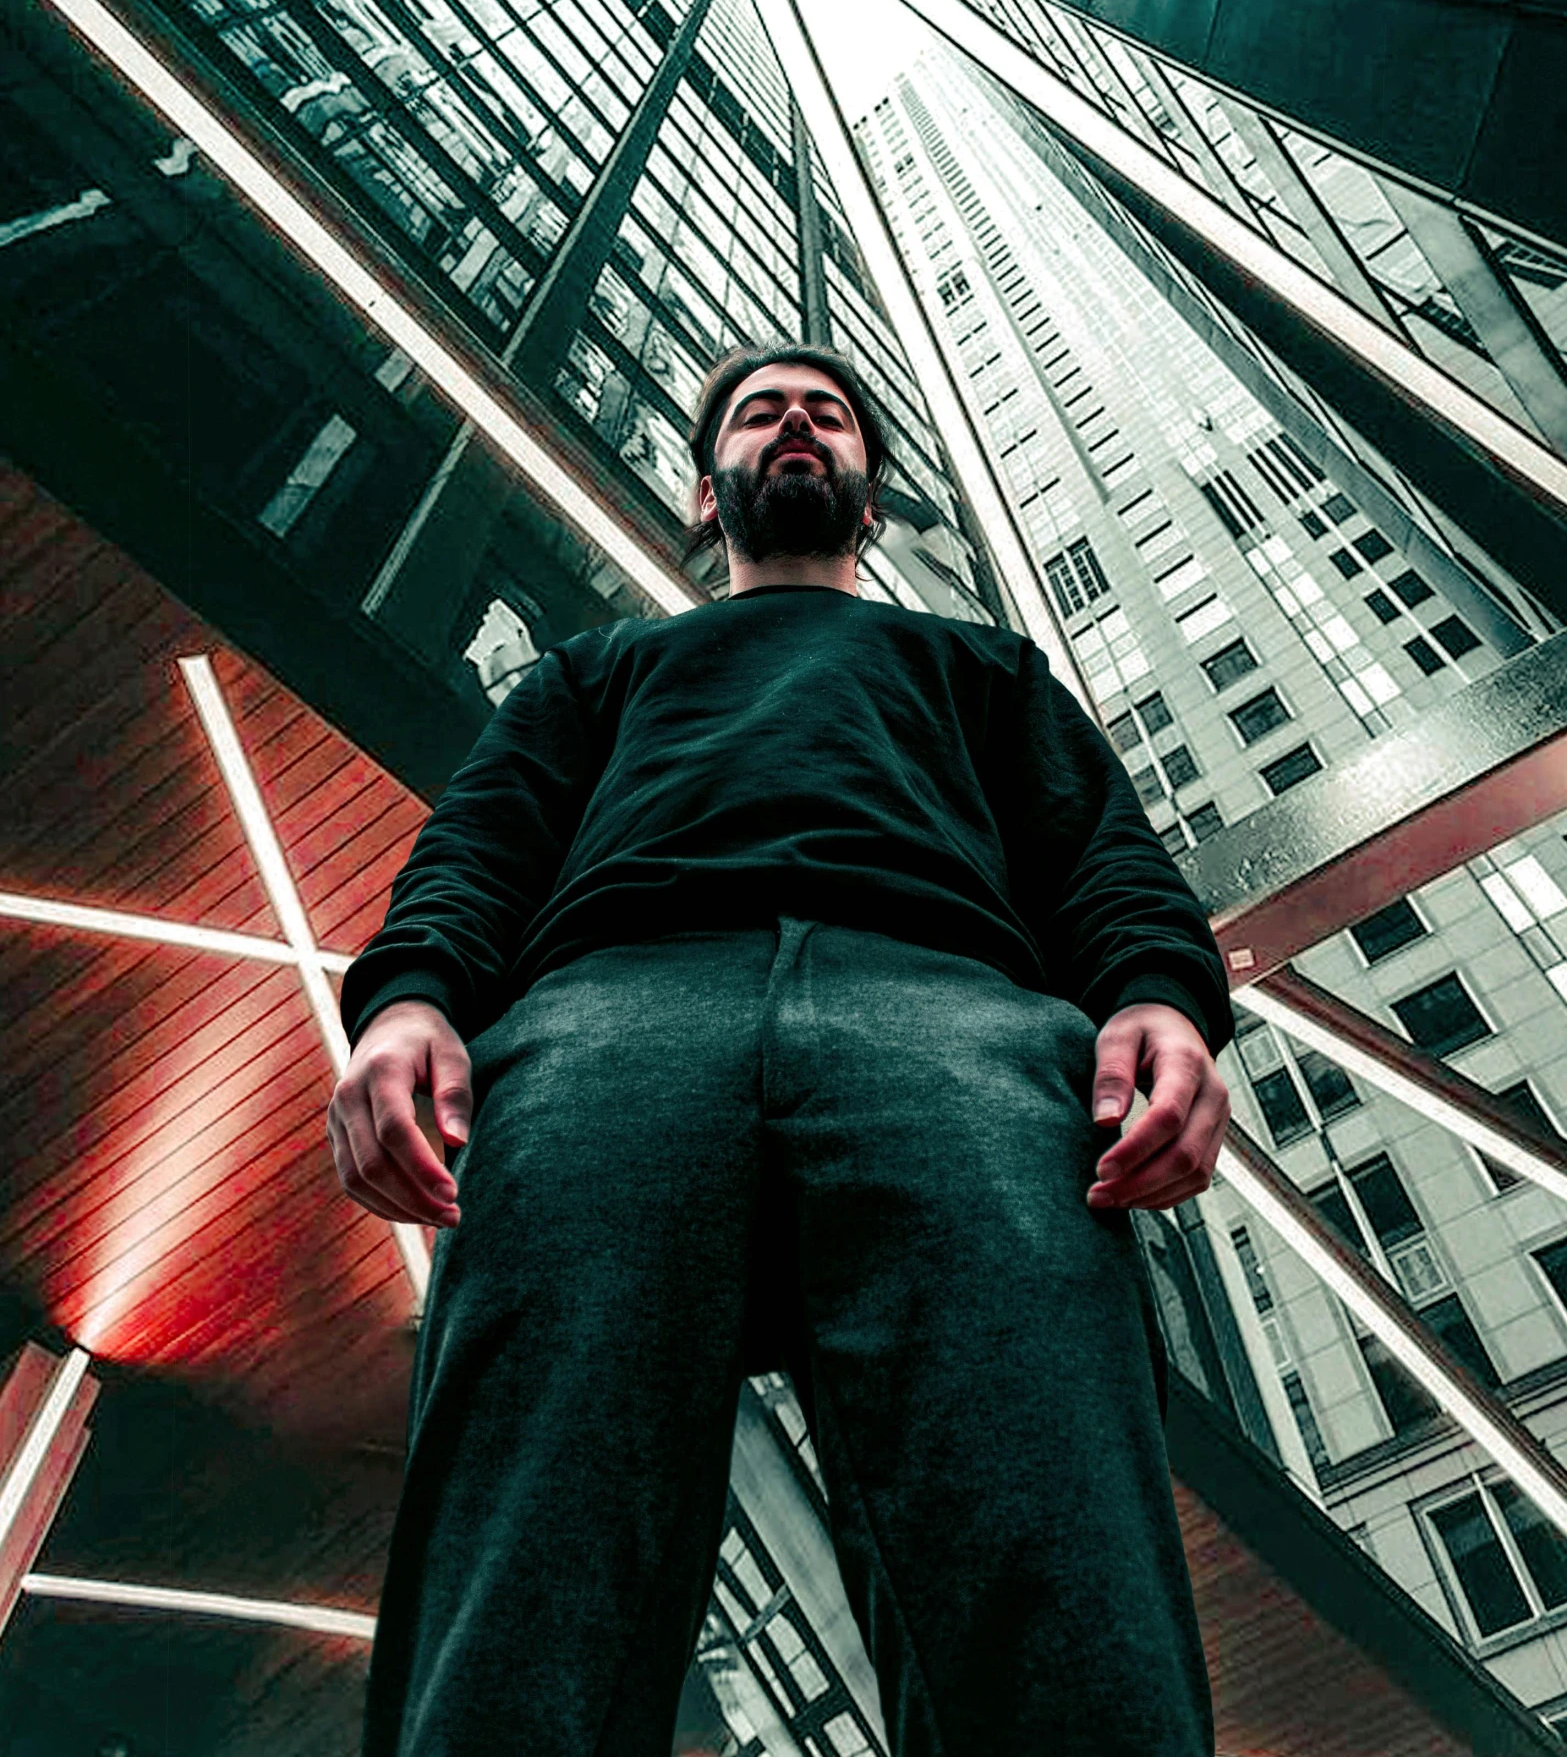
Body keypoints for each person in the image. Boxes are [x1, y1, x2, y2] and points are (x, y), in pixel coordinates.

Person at [329, 340, 1234, 1757]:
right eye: (761, 414)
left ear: (869, 498)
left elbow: (1097, 856)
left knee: (1048, 1527)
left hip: (950, 1012)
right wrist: (407, 1000)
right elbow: (481, 846)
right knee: (526, 1544)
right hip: (609, 1010)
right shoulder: (596, 670)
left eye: (827, 413)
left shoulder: (979, 665)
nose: (797, 423)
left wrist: (1162, 999)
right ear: (707, 495)